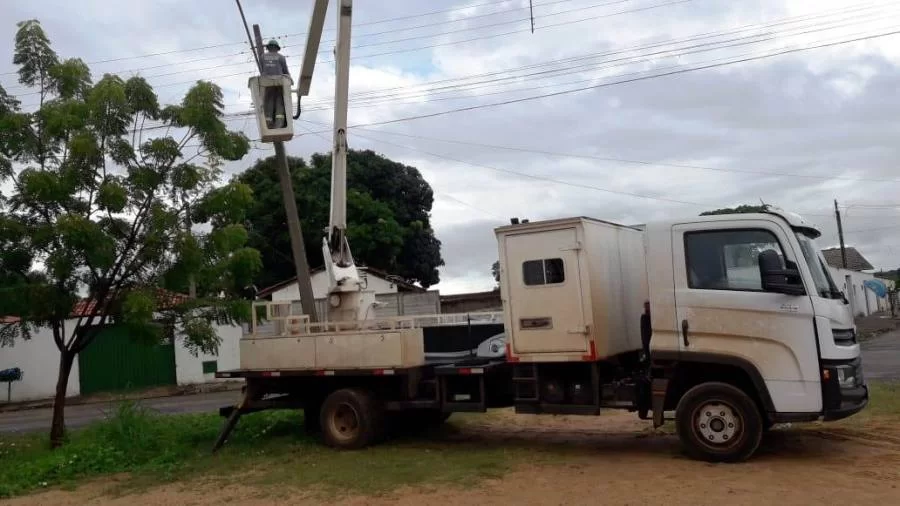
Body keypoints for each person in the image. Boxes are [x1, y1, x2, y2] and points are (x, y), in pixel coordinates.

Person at [260, 39, 290, 129]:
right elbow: (285, 71)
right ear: (277, 48)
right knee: (279, 103)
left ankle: (268, 123)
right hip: (279, 83)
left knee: (268, 103)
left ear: (268, 48)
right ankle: (278, 124)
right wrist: (289, 80)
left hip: (266, 84)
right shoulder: (281, 57)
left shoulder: (262, 57)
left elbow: (263, 69)